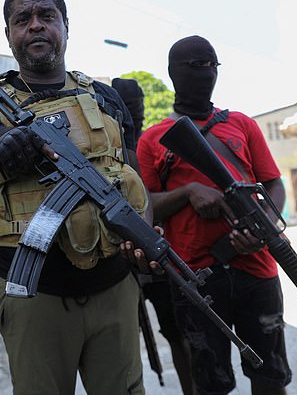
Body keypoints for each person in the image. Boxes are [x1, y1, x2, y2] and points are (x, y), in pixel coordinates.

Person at [0, 0, 150, 395]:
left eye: (46, 16)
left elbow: (134, 183)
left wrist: (142, 237)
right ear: (9, 34)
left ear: (66, 26)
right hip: (34, 296)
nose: (35, 25)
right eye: (23, 19)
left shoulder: (105, 99)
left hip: (114, 290)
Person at [136, 35, 291, 395]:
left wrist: (264, 225)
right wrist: (188, 193)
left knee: (271, 378)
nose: (206, 73)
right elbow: (145, 205)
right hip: (196, 278)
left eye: (212, 65)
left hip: (257, 267)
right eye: (195, 66)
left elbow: (273, 184)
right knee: (211, 383)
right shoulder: (153, 139)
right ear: (174, 73)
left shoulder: (242, 124)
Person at [112, 77, 195, 395]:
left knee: (177, 335)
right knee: (120, 345)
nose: (134, 112)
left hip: (158, 258)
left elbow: (158, 201)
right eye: (128, 106)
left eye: (137, 105)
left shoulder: (154, 145)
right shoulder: (105, 151)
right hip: (120, 264)